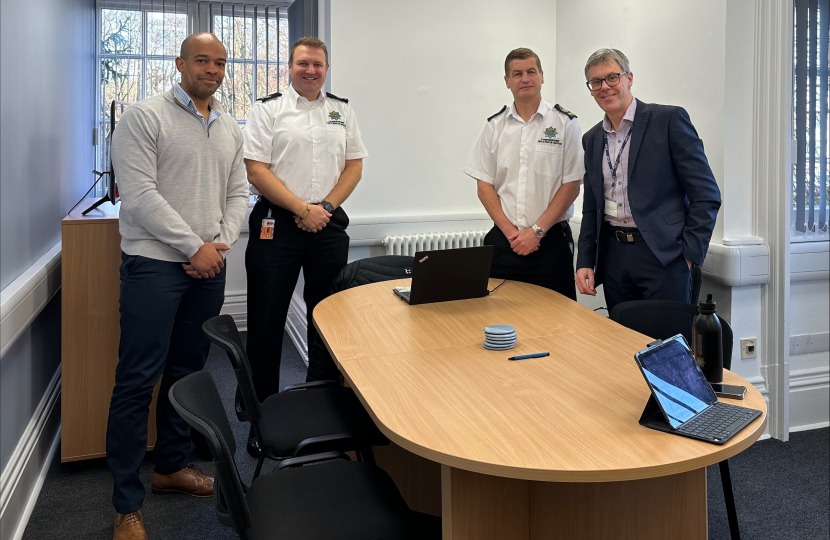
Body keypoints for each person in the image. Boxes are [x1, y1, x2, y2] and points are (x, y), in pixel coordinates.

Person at [106, 33, 250, 540]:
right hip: (155, 266)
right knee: (136, 380)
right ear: (180, 63)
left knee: (186, 370)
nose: (212, 69)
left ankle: (170, 467)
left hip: (208, 265)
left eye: (220, 62)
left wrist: (221, 242)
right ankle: (126, 503)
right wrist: (194, 246)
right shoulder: (145, 117)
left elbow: (238, 192)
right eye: (203, 60)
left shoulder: (229, 125)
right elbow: (139, 195)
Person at [242, 36, 367, 453]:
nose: (310, 70)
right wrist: (302, 208)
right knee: (266, 321)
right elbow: (256, 170)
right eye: (302, 64)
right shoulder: (267, 109)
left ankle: (322, 401)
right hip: (277, 225)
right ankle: (261, 416)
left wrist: (325, 207)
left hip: (327, 224)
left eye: (317, 64)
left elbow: (354, 166)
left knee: (327, 316)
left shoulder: (341, 111)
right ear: (290, 66)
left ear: (326, 68)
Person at [575, 48, 721, 313]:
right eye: (595, 82)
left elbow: (706, 194)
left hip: (664, 255)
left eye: (611, 78)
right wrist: (585, 260)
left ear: (629, 78)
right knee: (622, 343)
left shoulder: (668, 120)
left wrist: (688, 255)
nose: (604, 87)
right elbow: (591, 207)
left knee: (667, 346)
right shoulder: (592, 139)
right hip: (615, 257)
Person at [464, 47, 584, 299]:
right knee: (494, 315)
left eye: (531, 71)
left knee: (556, 321)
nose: (525, 78)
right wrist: (511, 233)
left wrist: (536, 232)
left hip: (550, 241)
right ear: (507, 81)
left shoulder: (565, 123)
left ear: (542, 76)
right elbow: (484, 186)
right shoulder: (494, 126)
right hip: (505, 240)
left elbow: (572, 185)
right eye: (517, 74)